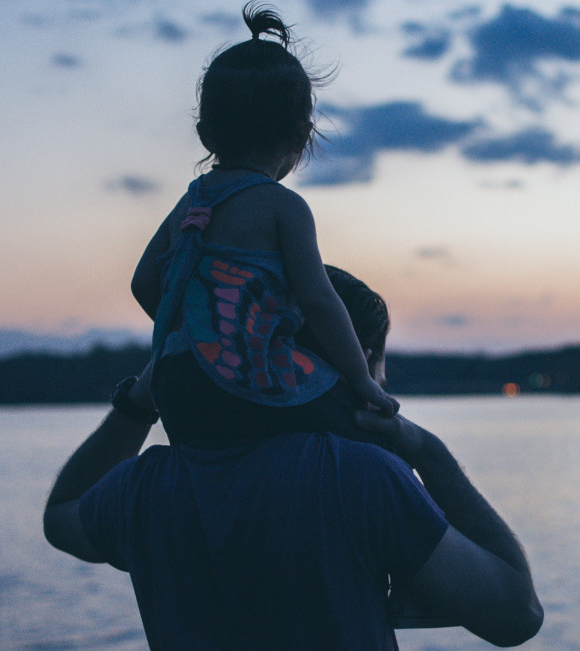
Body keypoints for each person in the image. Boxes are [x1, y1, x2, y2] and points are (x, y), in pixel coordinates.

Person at [43, 267, 543, 649]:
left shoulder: (147, 488)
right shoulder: (359, 479)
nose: (384, 385)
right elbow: (517, 615)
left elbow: (61, 516)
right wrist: (429, 455)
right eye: (378, 360)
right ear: (356, 359)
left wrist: (141, 399)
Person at [130, 2, 396, 447]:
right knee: (372, 434)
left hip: (176, 390)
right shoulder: (282, 206)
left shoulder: (190, 203)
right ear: (301, 136)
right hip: (252, 380)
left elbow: (143, 284)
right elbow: (319, 300)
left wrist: (199, 333)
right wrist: (360, 378)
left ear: (204, 134)